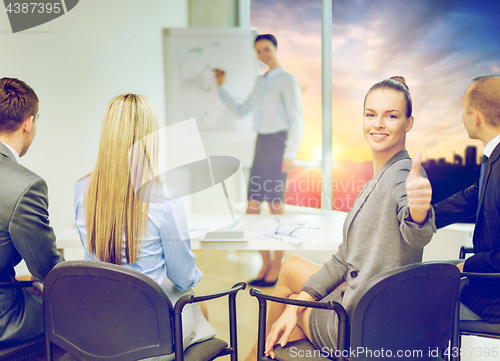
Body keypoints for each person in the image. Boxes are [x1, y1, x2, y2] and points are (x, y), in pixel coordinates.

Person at [244, 76, 436, 360]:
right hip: (369, 310)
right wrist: (296, 305)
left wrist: (419, 212)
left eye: (391, 116)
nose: (378, 124)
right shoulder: (382, 174)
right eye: (371, 114)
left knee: (278, 326)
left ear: (408, 123)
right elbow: (343, 258)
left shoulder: (402, 175)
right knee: (290, 279)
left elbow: (416, 233)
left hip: (360, 327)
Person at [74, 93, 215, 356]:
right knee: (194, 302)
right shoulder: (166, 200)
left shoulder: (82, 190)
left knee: (194, 309)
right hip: (147, 337)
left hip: (94, 327)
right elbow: (182, 278)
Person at [215, 33, 304, 287]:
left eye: (266, 49)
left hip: (279, 144)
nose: (263, 55)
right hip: (261, 144)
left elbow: (296, 119)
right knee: (252, 208)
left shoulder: (287, 80)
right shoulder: (260, 82)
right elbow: (242, 109)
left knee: (276, 207)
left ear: (275, 49)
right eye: (258, 51)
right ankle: (265, 262)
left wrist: (290, 155)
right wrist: (222, 87)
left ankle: (278, 264)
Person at [0, 77, 64, 347]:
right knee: (75, 311)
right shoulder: (25, 186)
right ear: (28, 123)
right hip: (5, 319)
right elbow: (48, 270)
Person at [433, 75, 500, 323]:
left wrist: (467, 266)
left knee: (420, 299)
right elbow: (470, 198)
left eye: (464, 108)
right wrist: (422, 219)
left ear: (475, 117)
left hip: (493, 299)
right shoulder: (493, 159)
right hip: (487, 283)